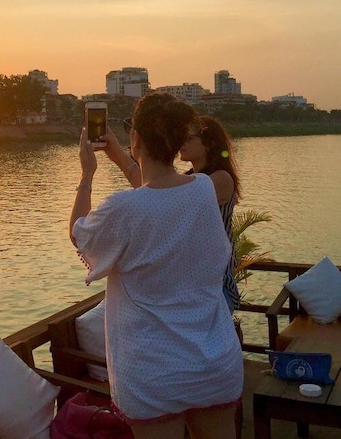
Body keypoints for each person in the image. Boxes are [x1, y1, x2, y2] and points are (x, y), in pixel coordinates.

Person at [70, 93, 243, 439]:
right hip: (214, 364)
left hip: (153, 373)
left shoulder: (123, 208)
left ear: (136, 138)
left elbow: (80, 234)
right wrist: (120, 154)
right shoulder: (204, 189)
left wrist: (87, 175)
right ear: (179, 141)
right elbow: (161, 195)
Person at [103, 114, 242, 313]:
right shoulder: (188, 179)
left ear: (209, 144)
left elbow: (160, 194)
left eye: (189, 138)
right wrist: (116, 152)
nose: (181, 143)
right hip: (189, 287)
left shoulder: (221, 179)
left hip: (215, 288)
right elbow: (153, 189)